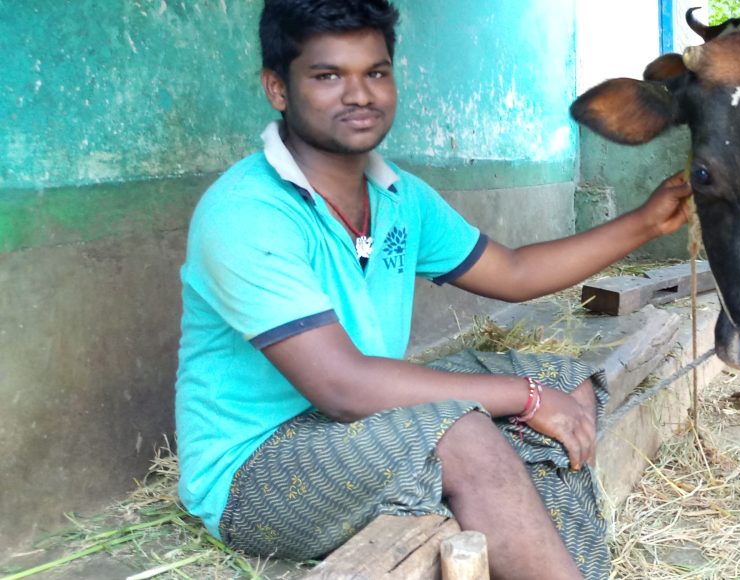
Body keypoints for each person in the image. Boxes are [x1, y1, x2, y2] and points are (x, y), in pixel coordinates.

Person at [173, 1, 690, 578]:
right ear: (277, 88)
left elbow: (513, 272)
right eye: (327, 76)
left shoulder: (399, 196)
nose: (360, 95)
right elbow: (342, 386)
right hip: (257, 471)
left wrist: (647, 221)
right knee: (470, 431)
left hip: (356, 424)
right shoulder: (247, 211)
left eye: (375, 72)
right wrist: (525, 399)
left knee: (565, 380)